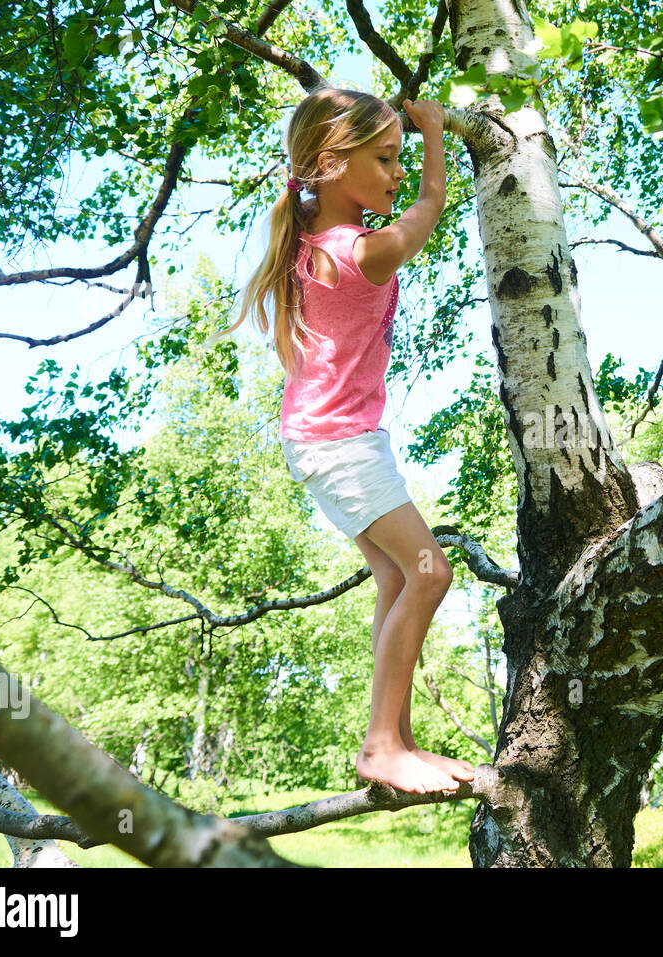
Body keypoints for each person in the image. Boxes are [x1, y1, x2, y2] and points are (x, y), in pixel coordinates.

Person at [228, 88, 474, 795]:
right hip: (338, 443)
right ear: (332, 164)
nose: (397, 174)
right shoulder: (358, 250)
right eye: (386, 158)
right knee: (430, 571)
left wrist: (403, 136)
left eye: (400, 159)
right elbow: (429, 210)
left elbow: (379, 201)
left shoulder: (315, 231)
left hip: (334, 440)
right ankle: (378, 745)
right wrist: (433, 137)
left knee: (399, 578)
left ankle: (395, 739)